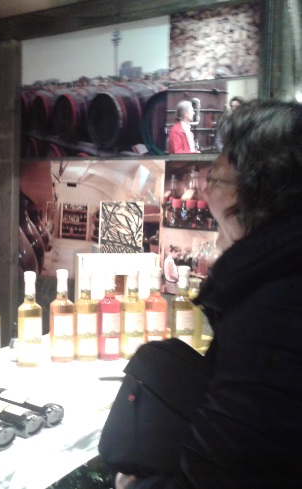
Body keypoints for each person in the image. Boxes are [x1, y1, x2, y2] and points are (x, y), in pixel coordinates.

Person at [115, 98, 302, 488]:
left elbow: (223, 471)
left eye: (216, 177)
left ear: (253, 191)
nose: (205, 186)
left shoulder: (274, 309)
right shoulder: (275, 277)